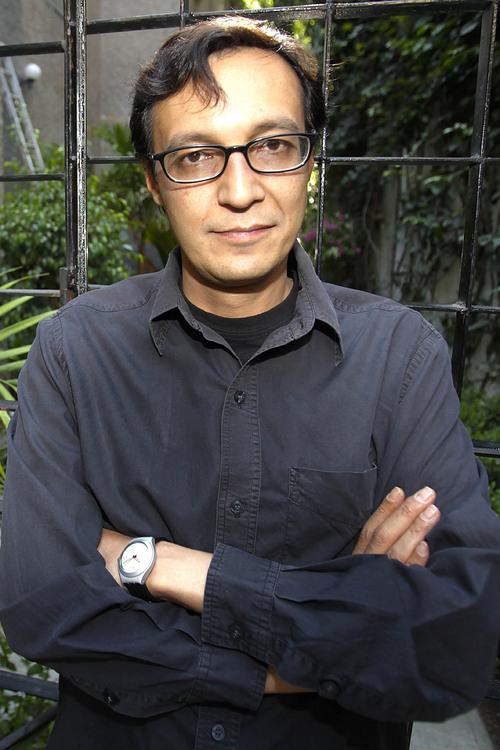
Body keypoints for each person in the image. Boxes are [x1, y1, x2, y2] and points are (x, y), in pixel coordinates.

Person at [0, 16, 499, 750]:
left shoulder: (400, 358)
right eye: (196, 155)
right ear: (153, 181)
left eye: (272, 146)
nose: (240, 191)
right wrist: (341, 618)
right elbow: (44, 608)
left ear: (309, 161)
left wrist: (161, 565)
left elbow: (453, 644)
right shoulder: (75, 352)